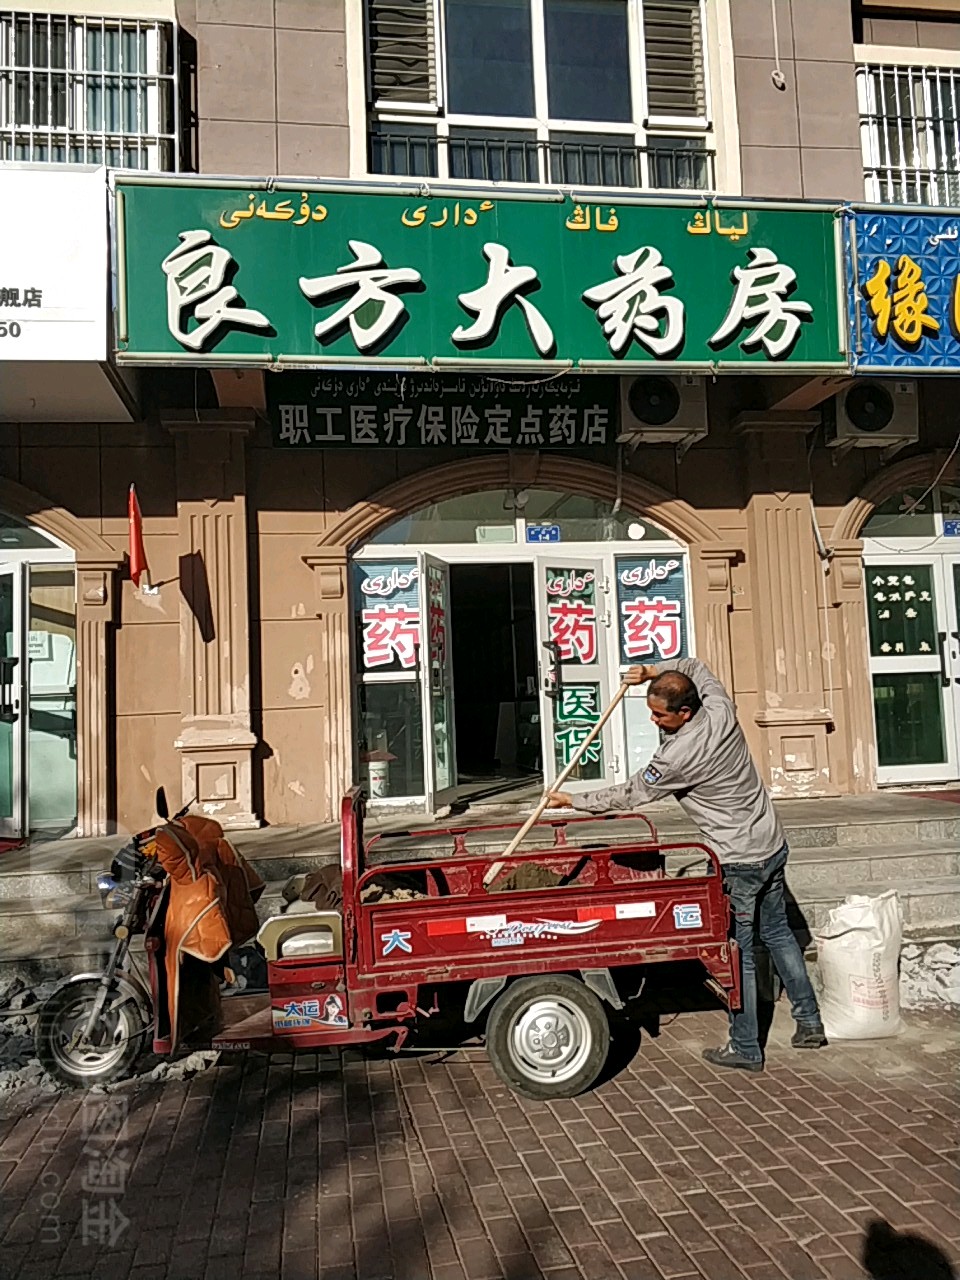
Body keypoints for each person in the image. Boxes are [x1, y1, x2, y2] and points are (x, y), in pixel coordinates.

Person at [546, 657, 825, 1072]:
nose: (655, 721)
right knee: (779, 933)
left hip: (740, 860)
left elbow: (631, 794)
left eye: (661, 715)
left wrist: (574, 800)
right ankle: (809, 1022)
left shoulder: (678, 756)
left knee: (739, 953)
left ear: (685, 712)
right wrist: (650, 671)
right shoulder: (720, 709)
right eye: (651, 712)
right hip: (771, 842)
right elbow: (694, 664)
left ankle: (745, 1046)